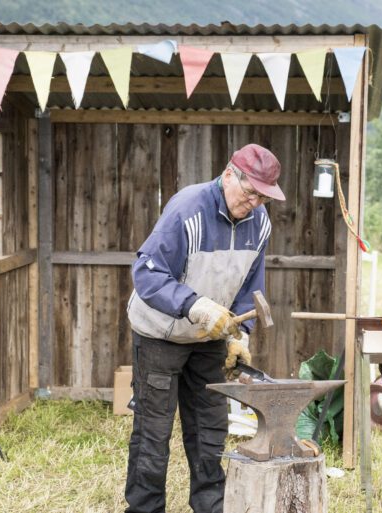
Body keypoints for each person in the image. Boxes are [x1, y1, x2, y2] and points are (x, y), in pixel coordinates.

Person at [124, 143, 285, 513]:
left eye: (263, 197)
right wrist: (195, 306)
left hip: (210, 338)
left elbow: (250, 286)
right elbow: (146, 275)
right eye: (250, 193)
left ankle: (211, 507)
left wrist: (240, 335)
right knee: (153, 433)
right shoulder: (187, 210)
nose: (255, 203)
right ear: (229, 174)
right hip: (159, 335)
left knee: (209, 430)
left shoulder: (260, 223)